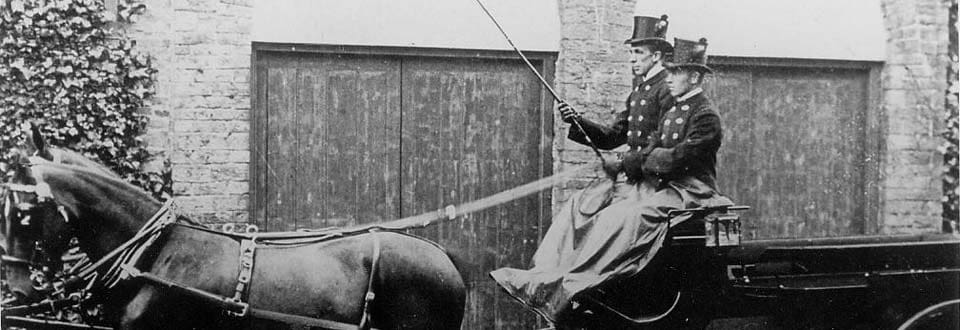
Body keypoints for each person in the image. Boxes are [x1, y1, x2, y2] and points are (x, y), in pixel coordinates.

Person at [489, 36, 732, 324]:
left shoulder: (704, 114)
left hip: (690, 189)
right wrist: (578, 122)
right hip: (660, 179)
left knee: (619, 217)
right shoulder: (672, 105)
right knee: (582, 206)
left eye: (676, 71)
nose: (670, 76)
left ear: (693, 76)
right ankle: (551, 275)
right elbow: (637, 140)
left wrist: (631, 162)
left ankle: (580, 282)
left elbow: (678, 157)